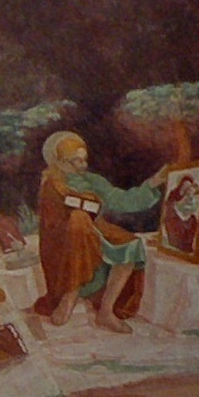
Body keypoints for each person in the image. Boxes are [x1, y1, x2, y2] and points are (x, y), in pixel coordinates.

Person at [32, 131, 165, 326]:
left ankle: (106, 310)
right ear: (59, 161)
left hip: (93, 230)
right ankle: (70, 294)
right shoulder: (51, 183)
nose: (82, 166)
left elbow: (122, 200)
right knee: (78, 220)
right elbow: (50, 224)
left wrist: (153, 182)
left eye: (83, 160)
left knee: (130, 244)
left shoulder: (92, 180)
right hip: (63, 241)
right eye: (75, 161)